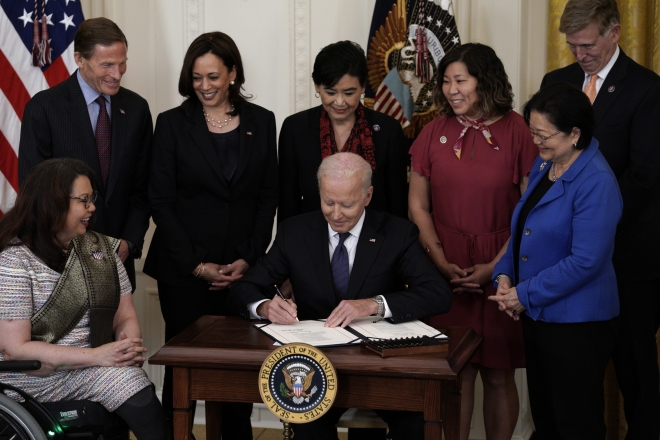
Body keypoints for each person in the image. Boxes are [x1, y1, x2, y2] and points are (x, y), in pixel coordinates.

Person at [230, 152, 452, 440]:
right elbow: (243, 289)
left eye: (347, 204)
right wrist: (264, 308)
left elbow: (438, 294)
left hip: (381, 366)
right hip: (316, 365)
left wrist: (375, 305)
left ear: (368, 195)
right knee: (308, 427)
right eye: (328, 202)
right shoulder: (295, 232)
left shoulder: (397, 233)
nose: (336, 214)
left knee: (415, 422)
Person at [143, 31, 278, 439]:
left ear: (233, 73)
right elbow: (160, 202)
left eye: (214, 76)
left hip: (241, 271)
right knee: (184, 370)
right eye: (197, 77)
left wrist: (249, 257)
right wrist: (197, 265)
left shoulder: (262, 121)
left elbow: (266, 196)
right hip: (184, 273)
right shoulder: (171, 123)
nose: (205, 86)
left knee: (235, 372)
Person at [540, 2, 660, 437]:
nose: (579, 54)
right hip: (563, 259)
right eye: (571, 45)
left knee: (636, 371)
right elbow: (545, 161)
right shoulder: (558, 83)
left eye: (587, 44)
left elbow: (644, 176)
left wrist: (587, 220)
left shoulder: (647, 90)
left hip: (627, 257)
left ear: (615, 32)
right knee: (572, 376)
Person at [407, 43, 538, 440]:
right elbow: (418, 207)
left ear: (486, 81)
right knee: (455, 375)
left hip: (502, 270)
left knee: (499, 375)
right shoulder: (433, 130)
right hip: (444, 267)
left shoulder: (519, 131)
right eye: (445, 81)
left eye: (460, 80)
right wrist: (439, 260)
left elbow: (530, 211)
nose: (450, 89)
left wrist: (495, 268)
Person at [488, 82, 622, 439]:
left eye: (544, 135)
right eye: (533, 133)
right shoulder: (548, 160)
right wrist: (504, 275)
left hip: (578, 323)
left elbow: (586, 261)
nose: (536, 142)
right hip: (540, 315)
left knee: (575, 423)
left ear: (574, 133)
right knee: (547, 417)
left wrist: (523, 294)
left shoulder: (596, 180)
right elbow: (525, 227)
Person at [0, 158, 169, 440]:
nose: (92, 207)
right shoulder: (14, 261)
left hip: (93, 367)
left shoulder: (99, 249)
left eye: (92, 199)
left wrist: (127, 348)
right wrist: (97, 356)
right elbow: (15, 350)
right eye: (83, 200)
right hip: (34, 378)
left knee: (132, 381)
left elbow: (125, 314)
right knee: (129, 384)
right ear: (52, 202)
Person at [18, 17, 153, 291]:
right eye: (107, 65)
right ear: (80, 59)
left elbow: (143, 188)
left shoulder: (137, 109)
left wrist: (128, 242)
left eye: (122, 62)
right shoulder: (44, 108)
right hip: (60, 265)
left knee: (120, 335)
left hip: (118, 265)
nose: (117, 73)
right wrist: (64, 246)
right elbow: (34, 192)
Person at [278, 40, 409, 223]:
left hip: (373, 241)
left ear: (363, 87)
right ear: (317, 86)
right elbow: (287, 204)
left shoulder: (388, 130)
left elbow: (397, 206)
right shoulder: (295, 128)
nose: (340, 102)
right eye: (331, 93)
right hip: (312, 240)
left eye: (349, 93)